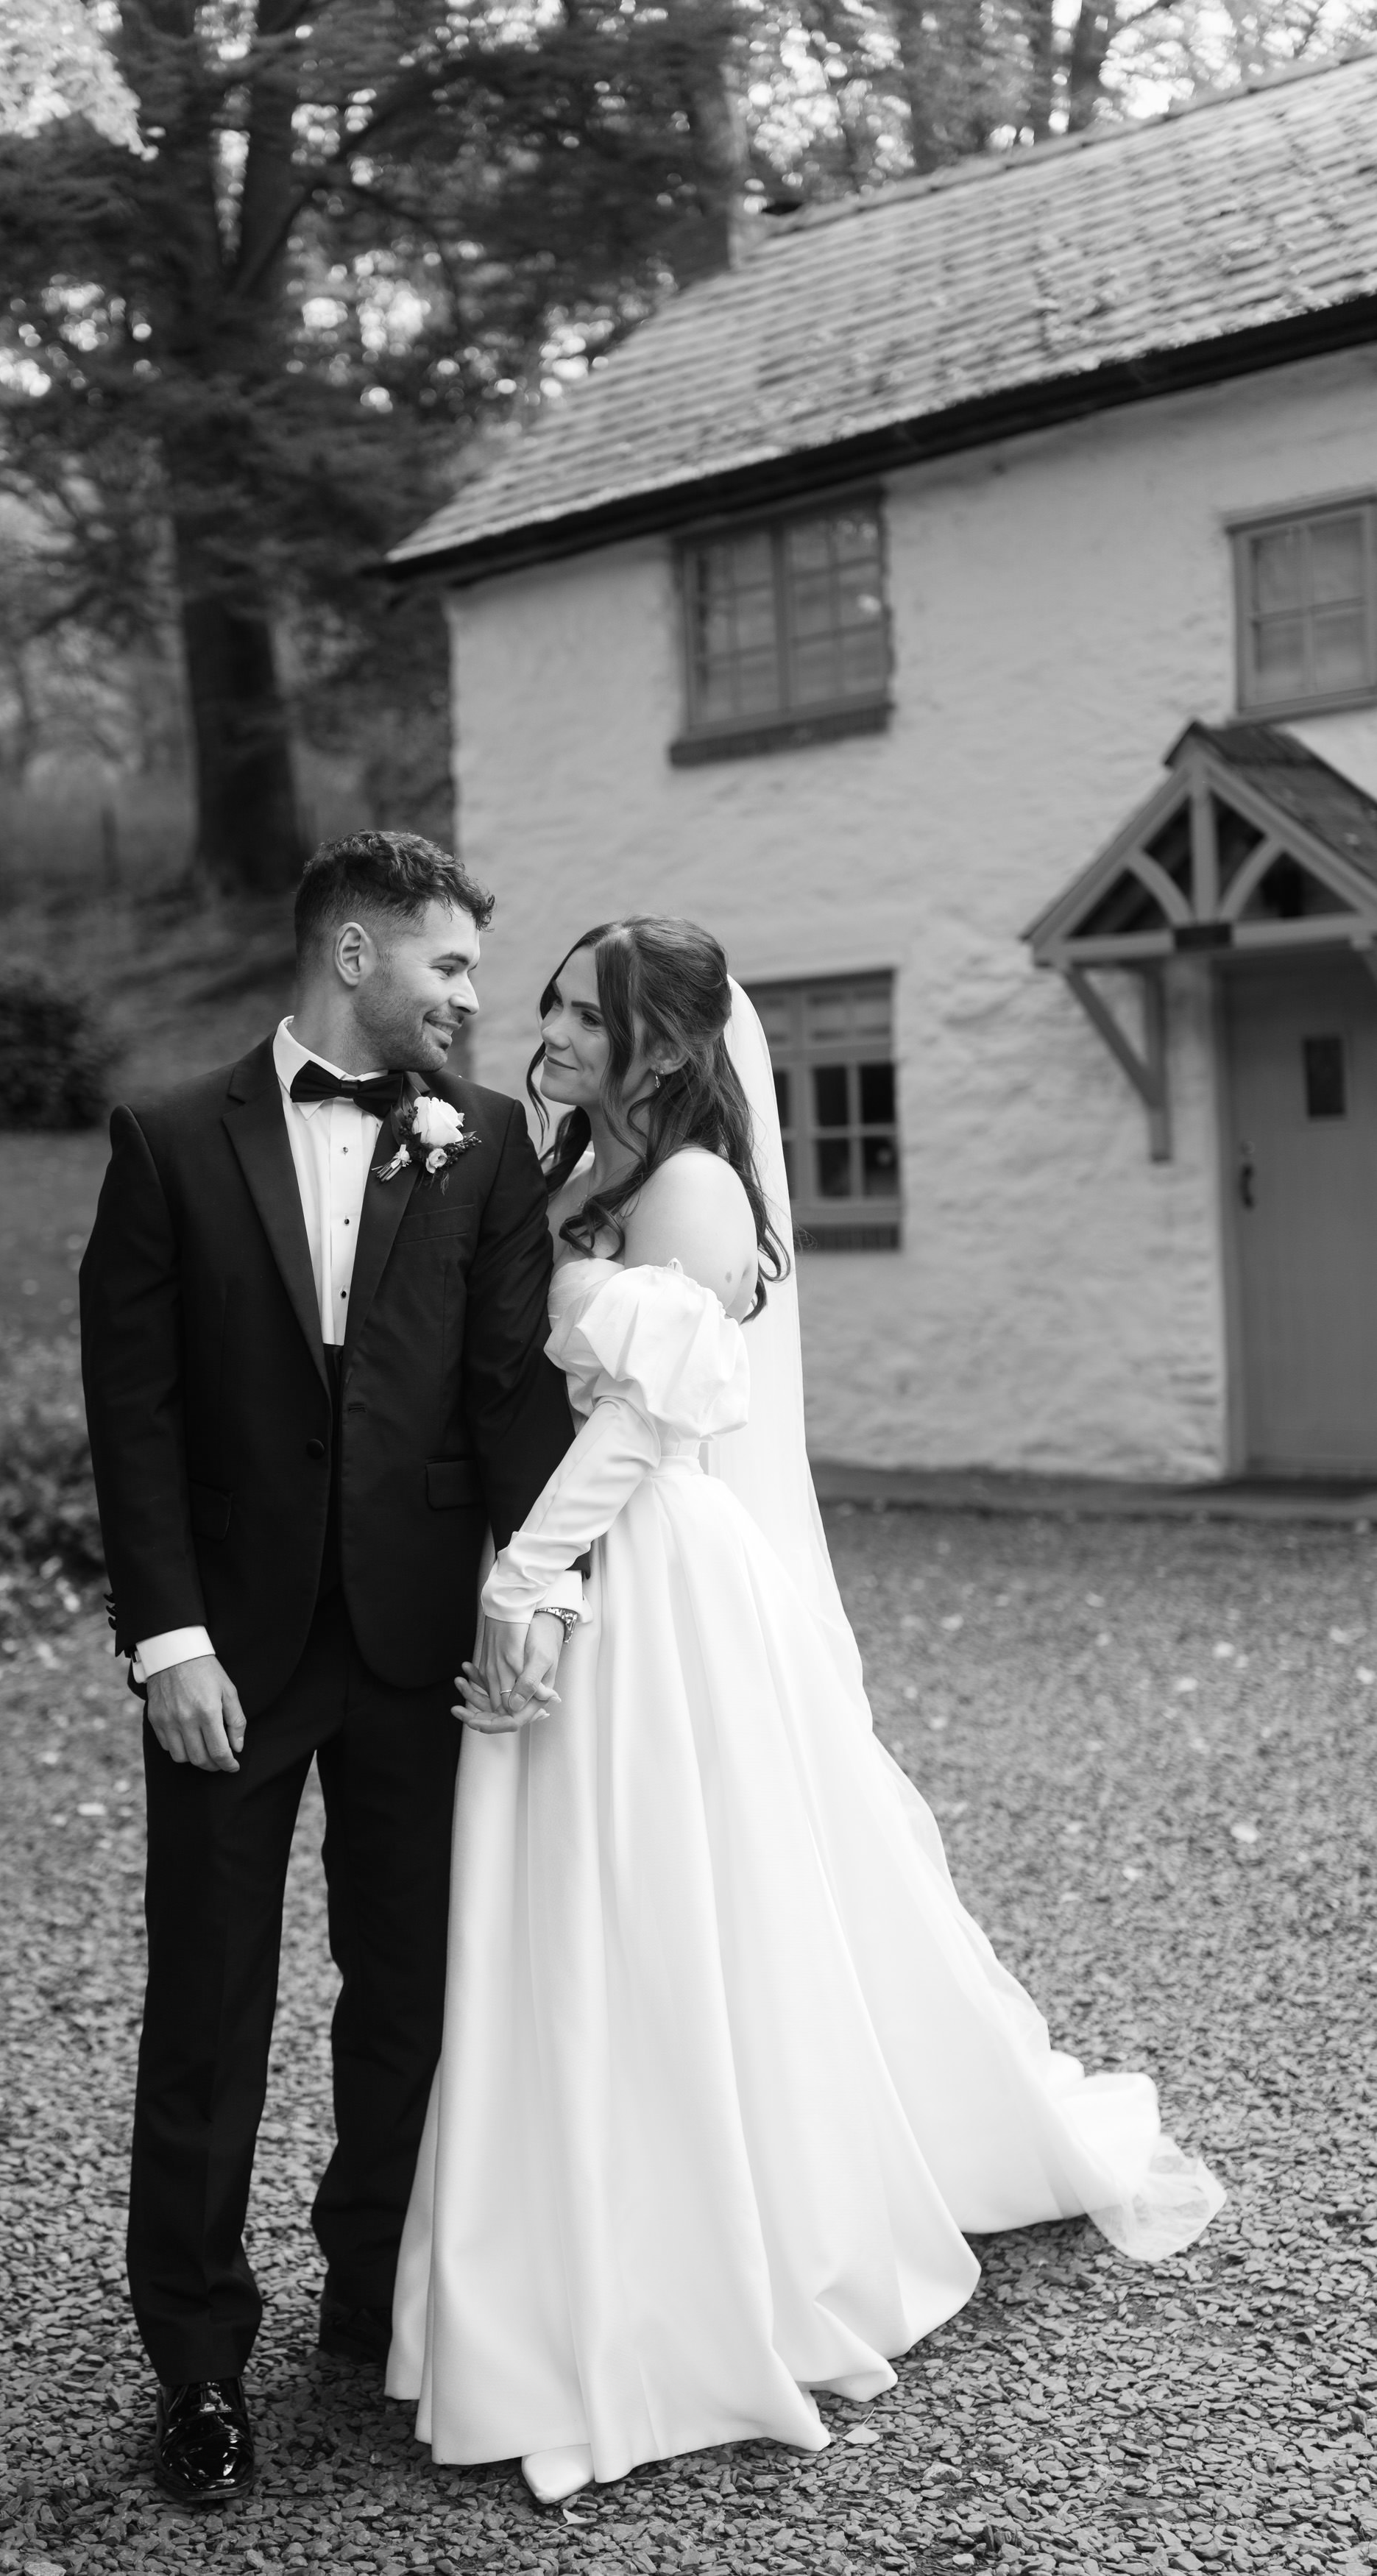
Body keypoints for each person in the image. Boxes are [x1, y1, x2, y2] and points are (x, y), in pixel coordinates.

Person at [386, 916, 1223, 2504]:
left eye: (583, 1010)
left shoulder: (689, 1187)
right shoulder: (571, 1170)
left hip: (645, 1585)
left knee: (660, 1918)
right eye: (550, 1000)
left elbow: (652, 1418)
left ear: (668, 1045)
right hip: (569, 1562)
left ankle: (693, 2289)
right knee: (565, 1927)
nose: (548, 1028)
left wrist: (528, 1585)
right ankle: (542, 2271)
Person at [79, 832, 584, 2508]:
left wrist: (539, 1599)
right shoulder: (163, 1142)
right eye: (448, 965)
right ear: (353, 952)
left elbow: (509, 1398)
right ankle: (201, 2362)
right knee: (210, 2008)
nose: (470, 998)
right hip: (228, 1654)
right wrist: (167, 1640)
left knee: (418, 1989)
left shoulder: (491, 1146)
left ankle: (376, 2297)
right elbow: (133, 1416)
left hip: (420, 1643)